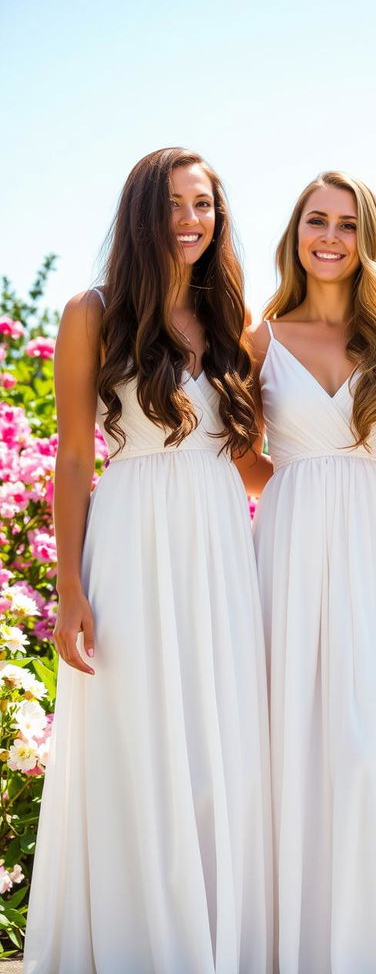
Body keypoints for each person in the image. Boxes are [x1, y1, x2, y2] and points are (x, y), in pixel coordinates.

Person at [24, 148, 272, 974]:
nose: (190, 221)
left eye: (203, 205)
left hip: (217, 543)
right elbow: (70, 459)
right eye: (173, 205)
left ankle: (211, 936)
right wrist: (70, 590)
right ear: (142, 213)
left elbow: (251, 458)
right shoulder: (92, 311)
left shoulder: (230, 319)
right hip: (130, 539)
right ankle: (140, 940)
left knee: (217, 734)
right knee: (138, 733)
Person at [249, 171, 376, 973]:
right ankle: (298, 940)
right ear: (295, 232)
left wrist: (356, 484)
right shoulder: (258, 337)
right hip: (292, 545)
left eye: (345, 224)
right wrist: (306, 487)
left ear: (368, 238)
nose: (329, 237)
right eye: (315, 221)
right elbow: (236, 452)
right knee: (294, 732)